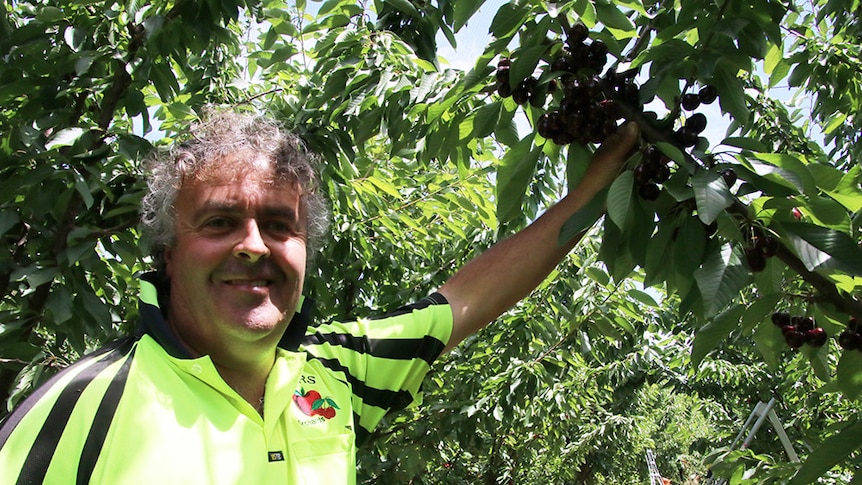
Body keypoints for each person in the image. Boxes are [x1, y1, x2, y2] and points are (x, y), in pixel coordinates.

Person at [0, 110, 638, 484]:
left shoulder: (336, 377)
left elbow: (466, 299)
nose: (254, 246)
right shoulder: (83, 409)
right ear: (168, 253)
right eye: (220, 222)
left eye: (280, 226)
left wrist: (599, 182)